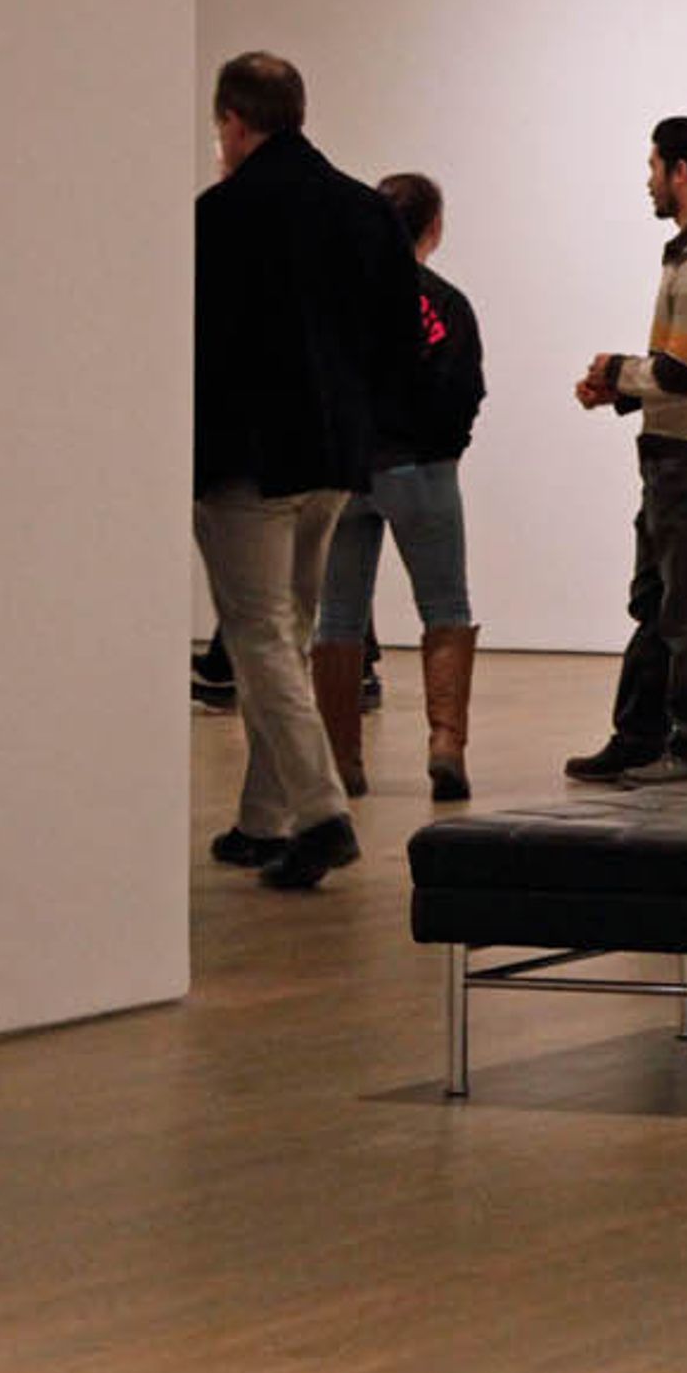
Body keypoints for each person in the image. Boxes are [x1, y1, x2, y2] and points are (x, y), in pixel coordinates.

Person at [193, 51, 415, 891]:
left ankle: (319, 814)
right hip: (331, 460)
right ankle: (262, 817)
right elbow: (399, 335)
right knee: (282, 632)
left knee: (258, 638)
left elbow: (198, 351)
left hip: (246, 465)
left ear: (234, 123)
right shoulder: (365, 213)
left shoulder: (218, 218)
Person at [566, 116, 687, 787]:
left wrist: (617, 371)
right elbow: (686, 369)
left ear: (680, 173)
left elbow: (682, 369)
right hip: (681, 447)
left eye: (653, 166)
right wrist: (618, 392)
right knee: (659, 598)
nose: (648, 180)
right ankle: (639, 737)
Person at [312, 172, 488, 803]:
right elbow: (466, 388)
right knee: (446, 607)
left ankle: (341, 760)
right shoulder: (445, 302)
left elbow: (320, 387)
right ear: (433, 228)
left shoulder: (339, 301)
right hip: (424, 471)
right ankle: (446, 744)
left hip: (348, 473)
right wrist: (443, 447)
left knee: (338, 616)